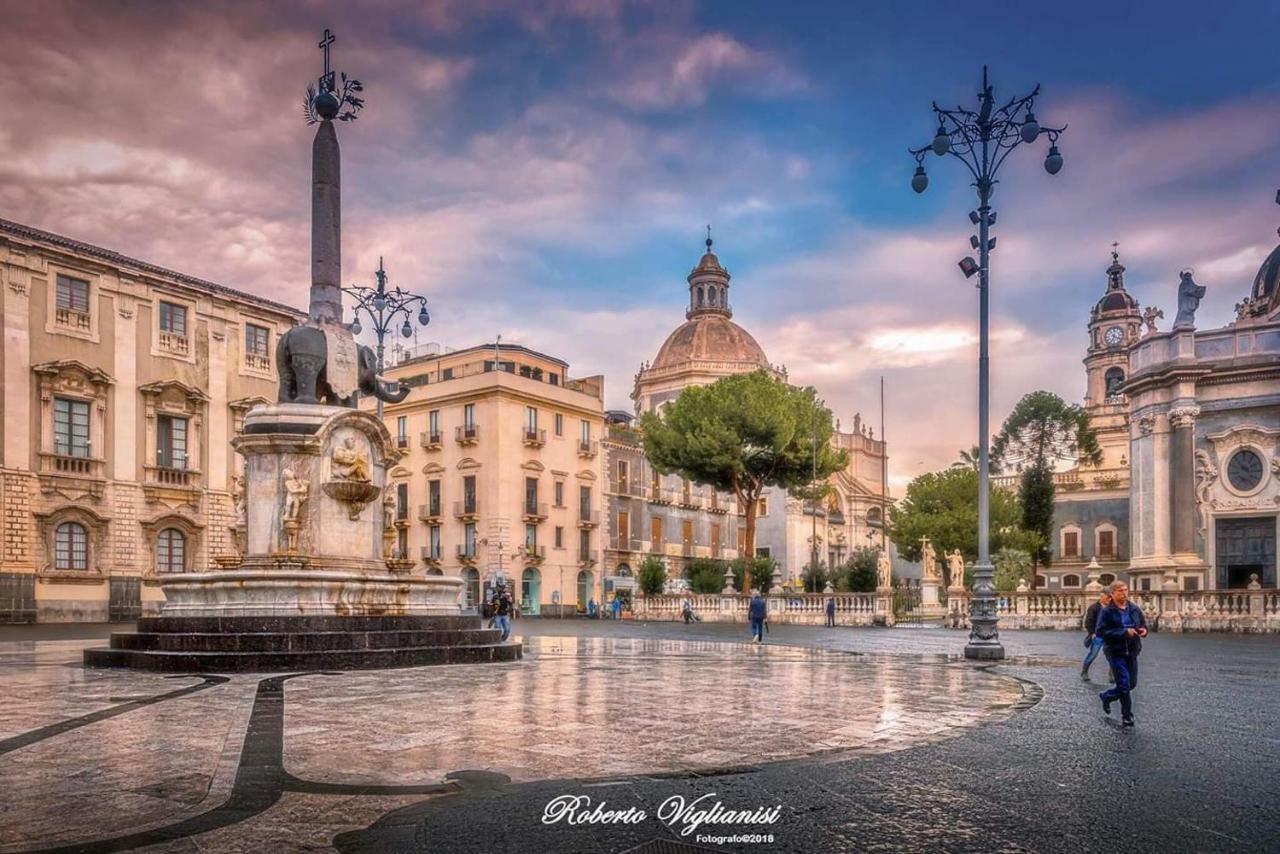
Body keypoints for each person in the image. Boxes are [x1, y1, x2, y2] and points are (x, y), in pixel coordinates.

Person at [1096, 581, 1147, 726]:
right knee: (1124, 684)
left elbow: (1142, 624)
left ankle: (1107, 696)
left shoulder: (1134, 609)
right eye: (1120, 591)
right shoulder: (1107, 611)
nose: (1124, 593)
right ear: (1112, 594)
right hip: (1115, 651)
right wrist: (1123, 632)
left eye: (1126, 590)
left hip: (1132, 650)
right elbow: (1101, 632)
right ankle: (1127, 716)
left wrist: (1143, 630)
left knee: (1132, 684)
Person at [1081, 590, 1113, 680]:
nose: (1109, 600)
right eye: (1108, 598)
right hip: (1098, 635)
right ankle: (1084, 672)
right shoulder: (1094, 608)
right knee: (1093, 654)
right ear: (1102, 597)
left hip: (1110, 635)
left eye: (1110, 598)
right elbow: (1088, 622)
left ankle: (1112, 674)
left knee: (1112, 655)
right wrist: (1092, 633)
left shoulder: (1112, 608)